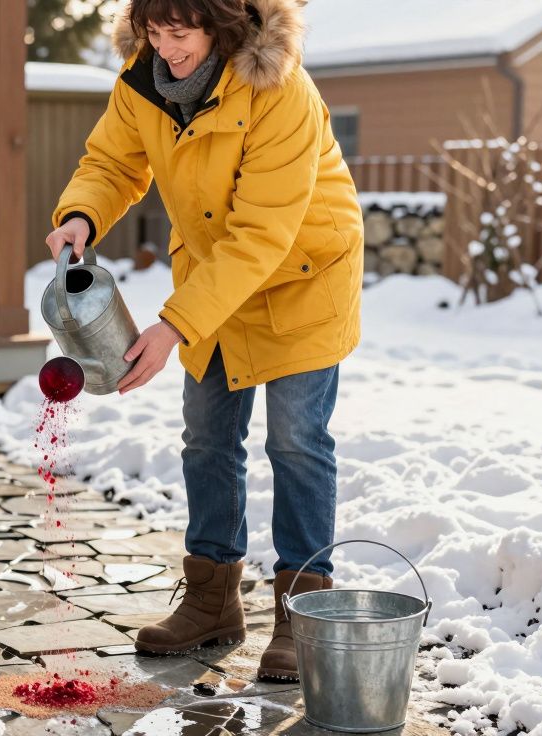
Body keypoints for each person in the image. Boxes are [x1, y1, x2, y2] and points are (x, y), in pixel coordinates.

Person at [45, 0, 362, 682]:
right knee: (207, 438)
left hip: (301, 277)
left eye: (180, 33)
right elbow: (112, 161)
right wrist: (80, 212)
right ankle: (213, 603)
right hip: (214, 280)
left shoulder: (281, 90)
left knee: (296, 441)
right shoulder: (142, 81)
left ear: (221, 26)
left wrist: (176, 325)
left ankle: (303, 615)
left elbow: (262, 236)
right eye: (154, 32)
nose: (167, 48)